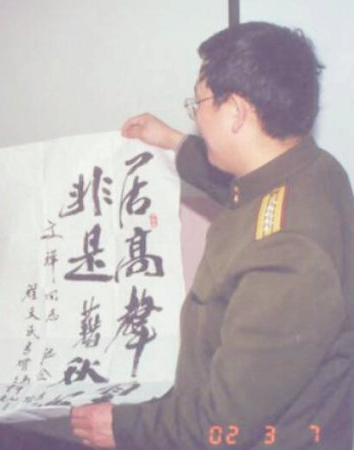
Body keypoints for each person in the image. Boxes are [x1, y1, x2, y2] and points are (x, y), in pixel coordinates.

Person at [70, 22, 354, 449]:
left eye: (199, 103)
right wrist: (170, 141)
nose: (197, 117)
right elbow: (244, 190)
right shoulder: (314, 170)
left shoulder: (288, 253)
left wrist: (121, 427)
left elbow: (224, 423)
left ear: (236, 111)